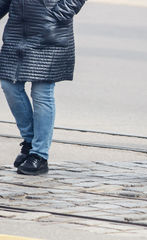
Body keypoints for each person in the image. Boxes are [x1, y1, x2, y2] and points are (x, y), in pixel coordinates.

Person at [0, 0, 86, 175]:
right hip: (17, 29)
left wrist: (58, 14)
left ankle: (39, 155)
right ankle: (31, 141)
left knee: (41, 92)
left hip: (50, 30)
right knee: (9, 84)